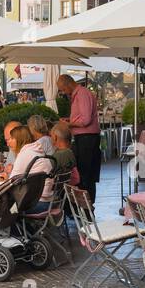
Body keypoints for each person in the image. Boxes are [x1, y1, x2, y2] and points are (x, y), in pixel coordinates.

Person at [59, 73, 101, 202]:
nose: (63, 92)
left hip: (87, 138)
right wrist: (70, 119)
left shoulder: (82, 94)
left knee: (85, 174)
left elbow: (86, 120)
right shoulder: (78, 94)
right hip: (84, 137)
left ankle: (88, 207)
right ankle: (86, 206)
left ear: (68, 84)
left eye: (63, 89)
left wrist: (69, 124)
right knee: (84, 174)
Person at [8, 125, 56, 212]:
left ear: (19, 139)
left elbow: (10, 184)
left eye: (11, 138)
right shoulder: (35, 150)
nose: (8, 142)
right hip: (48, 201)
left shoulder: (25, 153)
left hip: (38, 203)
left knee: (6, 209)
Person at [50, 121, 80, 187]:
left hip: (57, 191)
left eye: (51, 136)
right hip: (67, 189)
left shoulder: (58, 156)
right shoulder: (71, 152)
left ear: (55, 137)